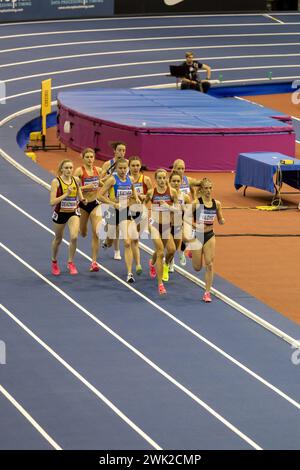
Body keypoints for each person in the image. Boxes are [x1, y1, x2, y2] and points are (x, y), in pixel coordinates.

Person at [98, 158, 141, 283]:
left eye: (124, 168)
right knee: (110, 240)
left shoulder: (131, 179)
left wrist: (136, 198)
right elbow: (99, 195)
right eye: (120, 168)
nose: (123, 170)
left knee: (127, 242)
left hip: (124, 211)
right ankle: (106, 242)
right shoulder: (112, 180)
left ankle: (129, 273)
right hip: (112, 211)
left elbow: (132, 189)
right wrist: (112, 203)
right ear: (116, 168)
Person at [187, 177, 225, 302]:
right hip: (198, 236)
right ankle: (191, 251)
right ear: (201, 190)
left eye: (210, 188)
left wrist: (222, 221)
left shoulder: (217, 204)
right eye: (206, 188)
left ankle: (207, 292)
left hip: (209, 235)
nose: (208, 191)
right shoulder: (196, 203)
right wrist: (193, 226)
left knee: (209, 264)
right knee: (197, 268)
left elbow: (220, 219)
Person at [50, 159, 86, 276]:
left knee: (74, 237)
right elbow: (52, 202)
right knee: (58, 239)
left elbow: (79, 192)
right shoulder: (56, 182)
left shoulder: (76, 180)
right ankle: (54, 261)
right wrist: (66, 194)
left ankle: (70, 262)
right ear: (61, 169)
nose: (69, 170)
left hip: (73, 212)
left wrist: (82, 199)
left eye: (71, 168)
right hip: (60, 213)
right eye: (66, 168)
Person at [145, 169, 178, 295]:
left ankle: (153, 263)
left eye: (164, 178)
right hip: (154, 224)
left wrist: (168, 207)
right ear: (156, 179)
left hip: (166, 226)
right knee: (160, 252)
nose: (162, 180)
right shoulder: (151, 192)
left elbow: (178, 209)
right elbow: (142, 204)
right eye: (159, 178)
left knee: (171, 250)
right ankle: (160, 284)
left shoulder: (172, 192)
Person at [74, 148, 102, 272]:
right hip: (83, 204)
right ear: (83, 158)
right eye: (87, 157)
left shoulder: (98, 170)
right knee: (84, 233)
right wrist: (86, 187)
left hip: (95, 203)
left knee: (96, 232)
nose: (90, 159)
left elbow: (100, 183)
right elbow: (73, 188)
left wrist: (103, 183)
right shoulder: (79, 171)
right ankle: (82, 229)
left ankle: (94, 262)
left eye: (92, 157)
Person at [172, 158, 202, 266]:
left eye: (183, 168)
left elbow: (199, 183)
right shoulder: (170, 181)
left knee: (185, 237)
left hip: (185, 212)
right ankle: (171, 260)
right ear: (174, 169)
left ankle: (182, 252)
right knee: (174, 240)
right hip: (173, 213)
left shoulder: (187, 180)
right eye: (178, 168)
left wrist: (204, 182)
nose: (181, 170)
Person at [100, 141, 127, 260]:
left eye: (124, 150)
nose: (122, 152)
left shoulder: (126, 164)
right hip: (109, 199)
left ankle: (117, 251)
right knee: (112, 228)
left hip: (122, 200)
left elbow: (129, 180)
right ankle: (108, 240)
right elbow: (100, 181)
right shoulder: (108, 164)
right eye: (119, 150)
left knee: (117, 228)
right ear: (114, 151)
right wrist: (108, 177)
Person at [128, 155, 153, 274]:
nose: (135, 168)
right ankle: (138, 264)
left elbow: (151, 195)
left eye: (137, 165)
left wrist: (145, 198)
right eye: (133, 165)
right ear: (129, 166)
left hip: (141, 211)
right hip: (128, 210)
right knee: (134, 239)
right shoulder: (125, 179)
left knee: (136, 237)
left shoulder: (146, 179)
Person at [168, 170, 190, 273]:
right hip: (166, 224)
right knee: (169, 248)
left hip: (178, 223)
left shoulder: (185, 197)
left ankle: (178, 254)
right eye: (173, 181)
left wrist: (183, 208)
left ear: (181, 182)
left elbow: (189, 212)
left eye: (178, 181)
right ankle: (169, 263)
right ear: (170, 181)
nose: (176, 183)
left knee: (177, 246)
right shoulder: (166, 194)